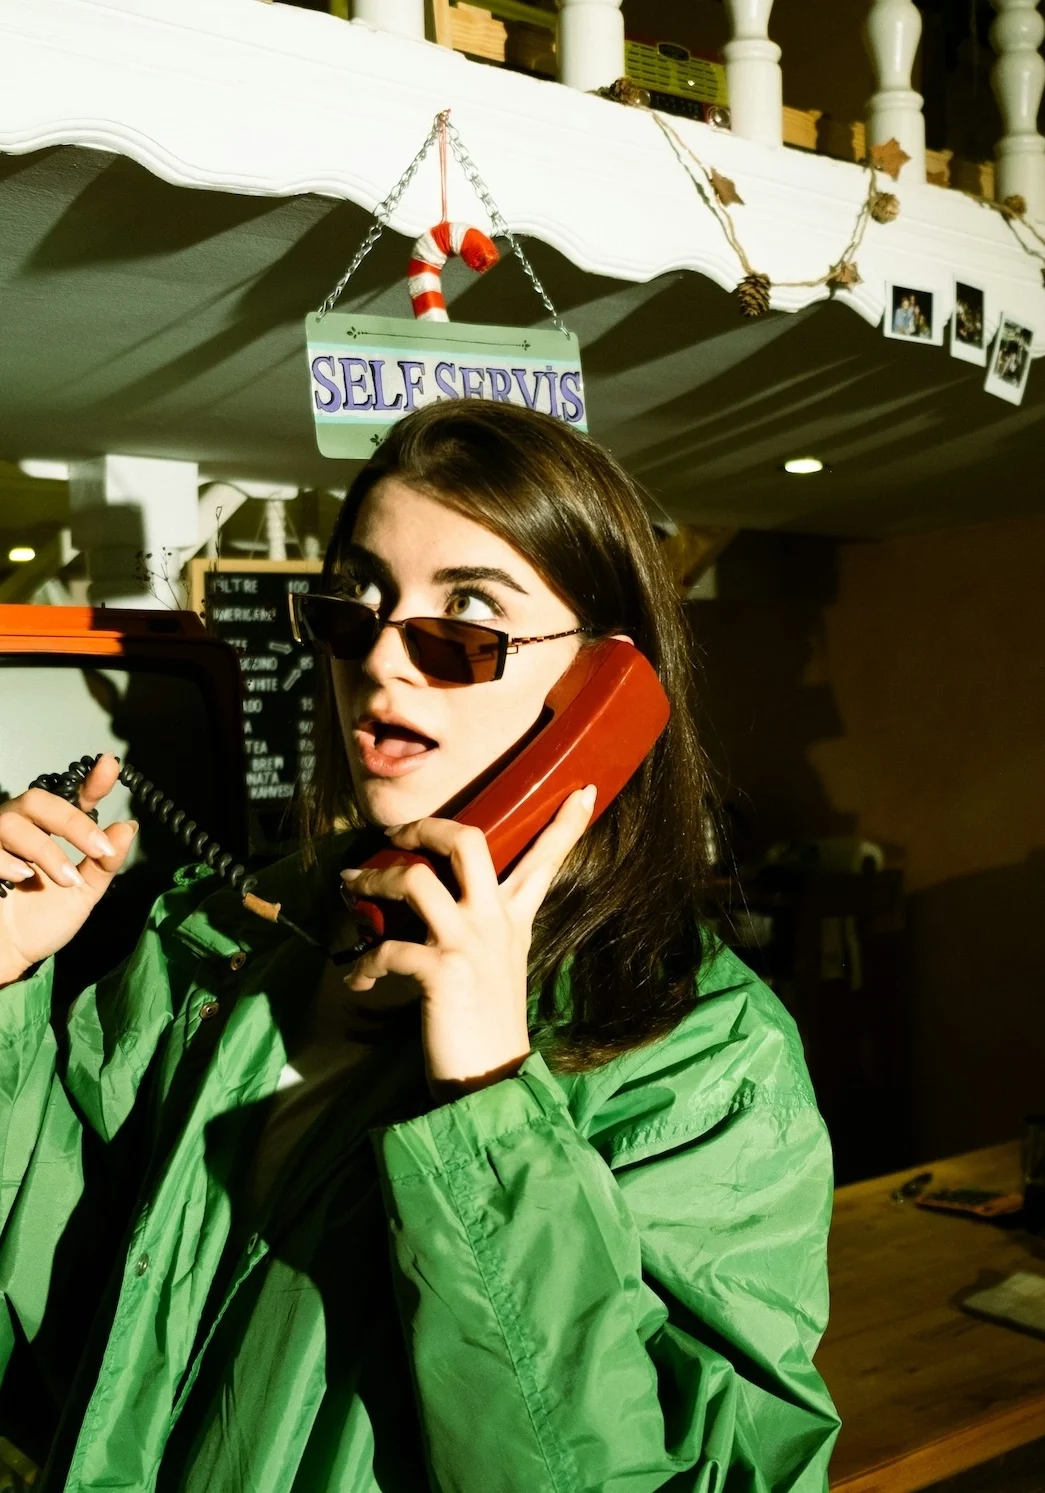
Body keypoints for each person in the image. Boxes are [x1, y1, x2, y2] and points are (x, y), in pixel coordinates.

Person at [0, 402, 839, 1491]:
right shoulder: (223, 940)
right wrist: (8, 981)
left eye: (465, 617)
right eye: (358, 604)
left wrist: (490, 1101)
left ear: (605, 687)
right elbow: (53, 1333)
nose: (385, 658)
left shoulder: (704, 1053)